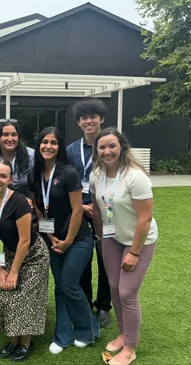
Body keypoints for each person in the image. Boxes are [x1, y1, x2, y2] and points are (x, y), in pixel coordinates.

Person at [89, 128, 158, 365]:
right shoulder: (96, 174)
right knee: (114, 287)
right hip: (112, 238)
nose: (107, 151)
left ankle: (130, 347)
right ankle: (122, 333)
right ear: (96, 150)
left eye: (112, 146)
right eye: (102, 147)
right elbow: (97, 209)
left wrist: (135, 252)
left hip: (138, 239)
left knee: (127, 292)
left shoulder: (135, 176)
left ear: (122, 148)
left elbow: (145, 218)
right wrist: (101, 238)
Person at [30, 127, 100, 355]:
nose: (48, 146)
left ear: (60, 147)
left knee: (69, 284)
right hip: (53, 238)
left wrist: (68, 240)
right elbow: (39, 209)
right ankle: (63, 336)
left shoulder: (68, 173)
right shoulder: (35, 173)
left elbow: (78, 209)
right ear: (38, 145)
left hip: (78, 238)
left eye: (53, 142)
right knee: (60, 287)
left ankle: (87, 330)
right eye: (44, 142)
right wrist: (51, 237)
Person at [0, 159, 49, 361]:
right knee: (5, 293)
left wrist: (12, 272)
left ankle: (26, 342)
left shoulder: (19, 202)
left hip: (33, 255)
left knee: (23, 296)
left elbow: (25, 240)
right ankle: (13, 340)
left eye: (3, 176)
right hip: (11, 255)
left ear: (10, 179)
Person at [66, 99, 112, 327]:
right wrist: (81, 207)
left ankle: (104, 306)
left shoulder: (111, 146)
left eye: (93, 116)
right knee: (82, 260)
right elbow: (65, 182)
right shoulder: (71, 150)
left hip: (106, 213)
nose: (88, 121)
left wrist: (104, 207)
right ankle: (84, 302)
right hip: (80, 212)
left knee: (107, 259)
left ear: (101, 119)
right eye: (84, 117)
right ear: (79, 122)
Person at [0, 119, 35, 199]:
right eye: (5, 134)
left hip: (26, 206)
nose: (10, 139)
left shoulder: (31, 156)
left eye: (14, 135)